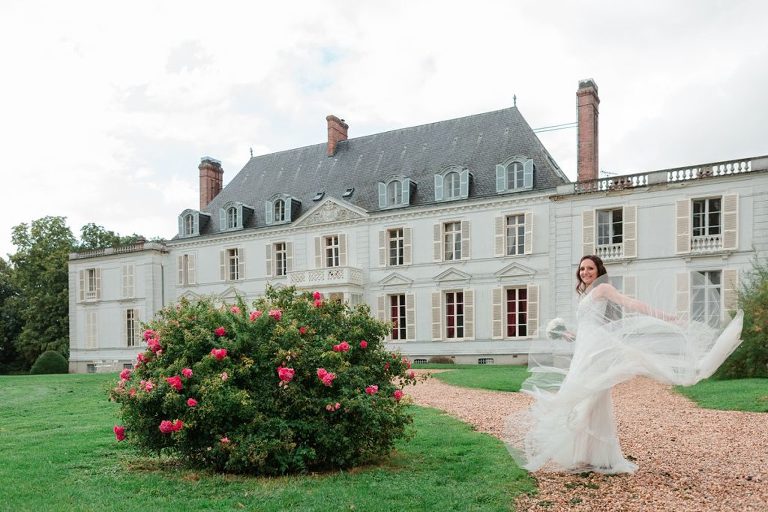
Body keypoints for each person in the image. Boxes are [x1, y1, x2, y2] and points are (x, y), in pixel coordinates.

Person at [507, 255, 744, 474]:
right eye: (582, 268)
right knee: (592, 398)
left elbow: (631, 304)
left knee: (584, 396)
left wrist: (667, 317)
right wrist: (568, 334)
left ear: (599, 270)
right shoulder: (586, 294)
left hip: (596, 350)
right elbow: (589, 325)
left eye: (590, 268)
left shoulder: (603, 288)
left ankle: (596, 456)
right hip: (585, 348)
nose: (585, 272)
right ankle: (592, 455)